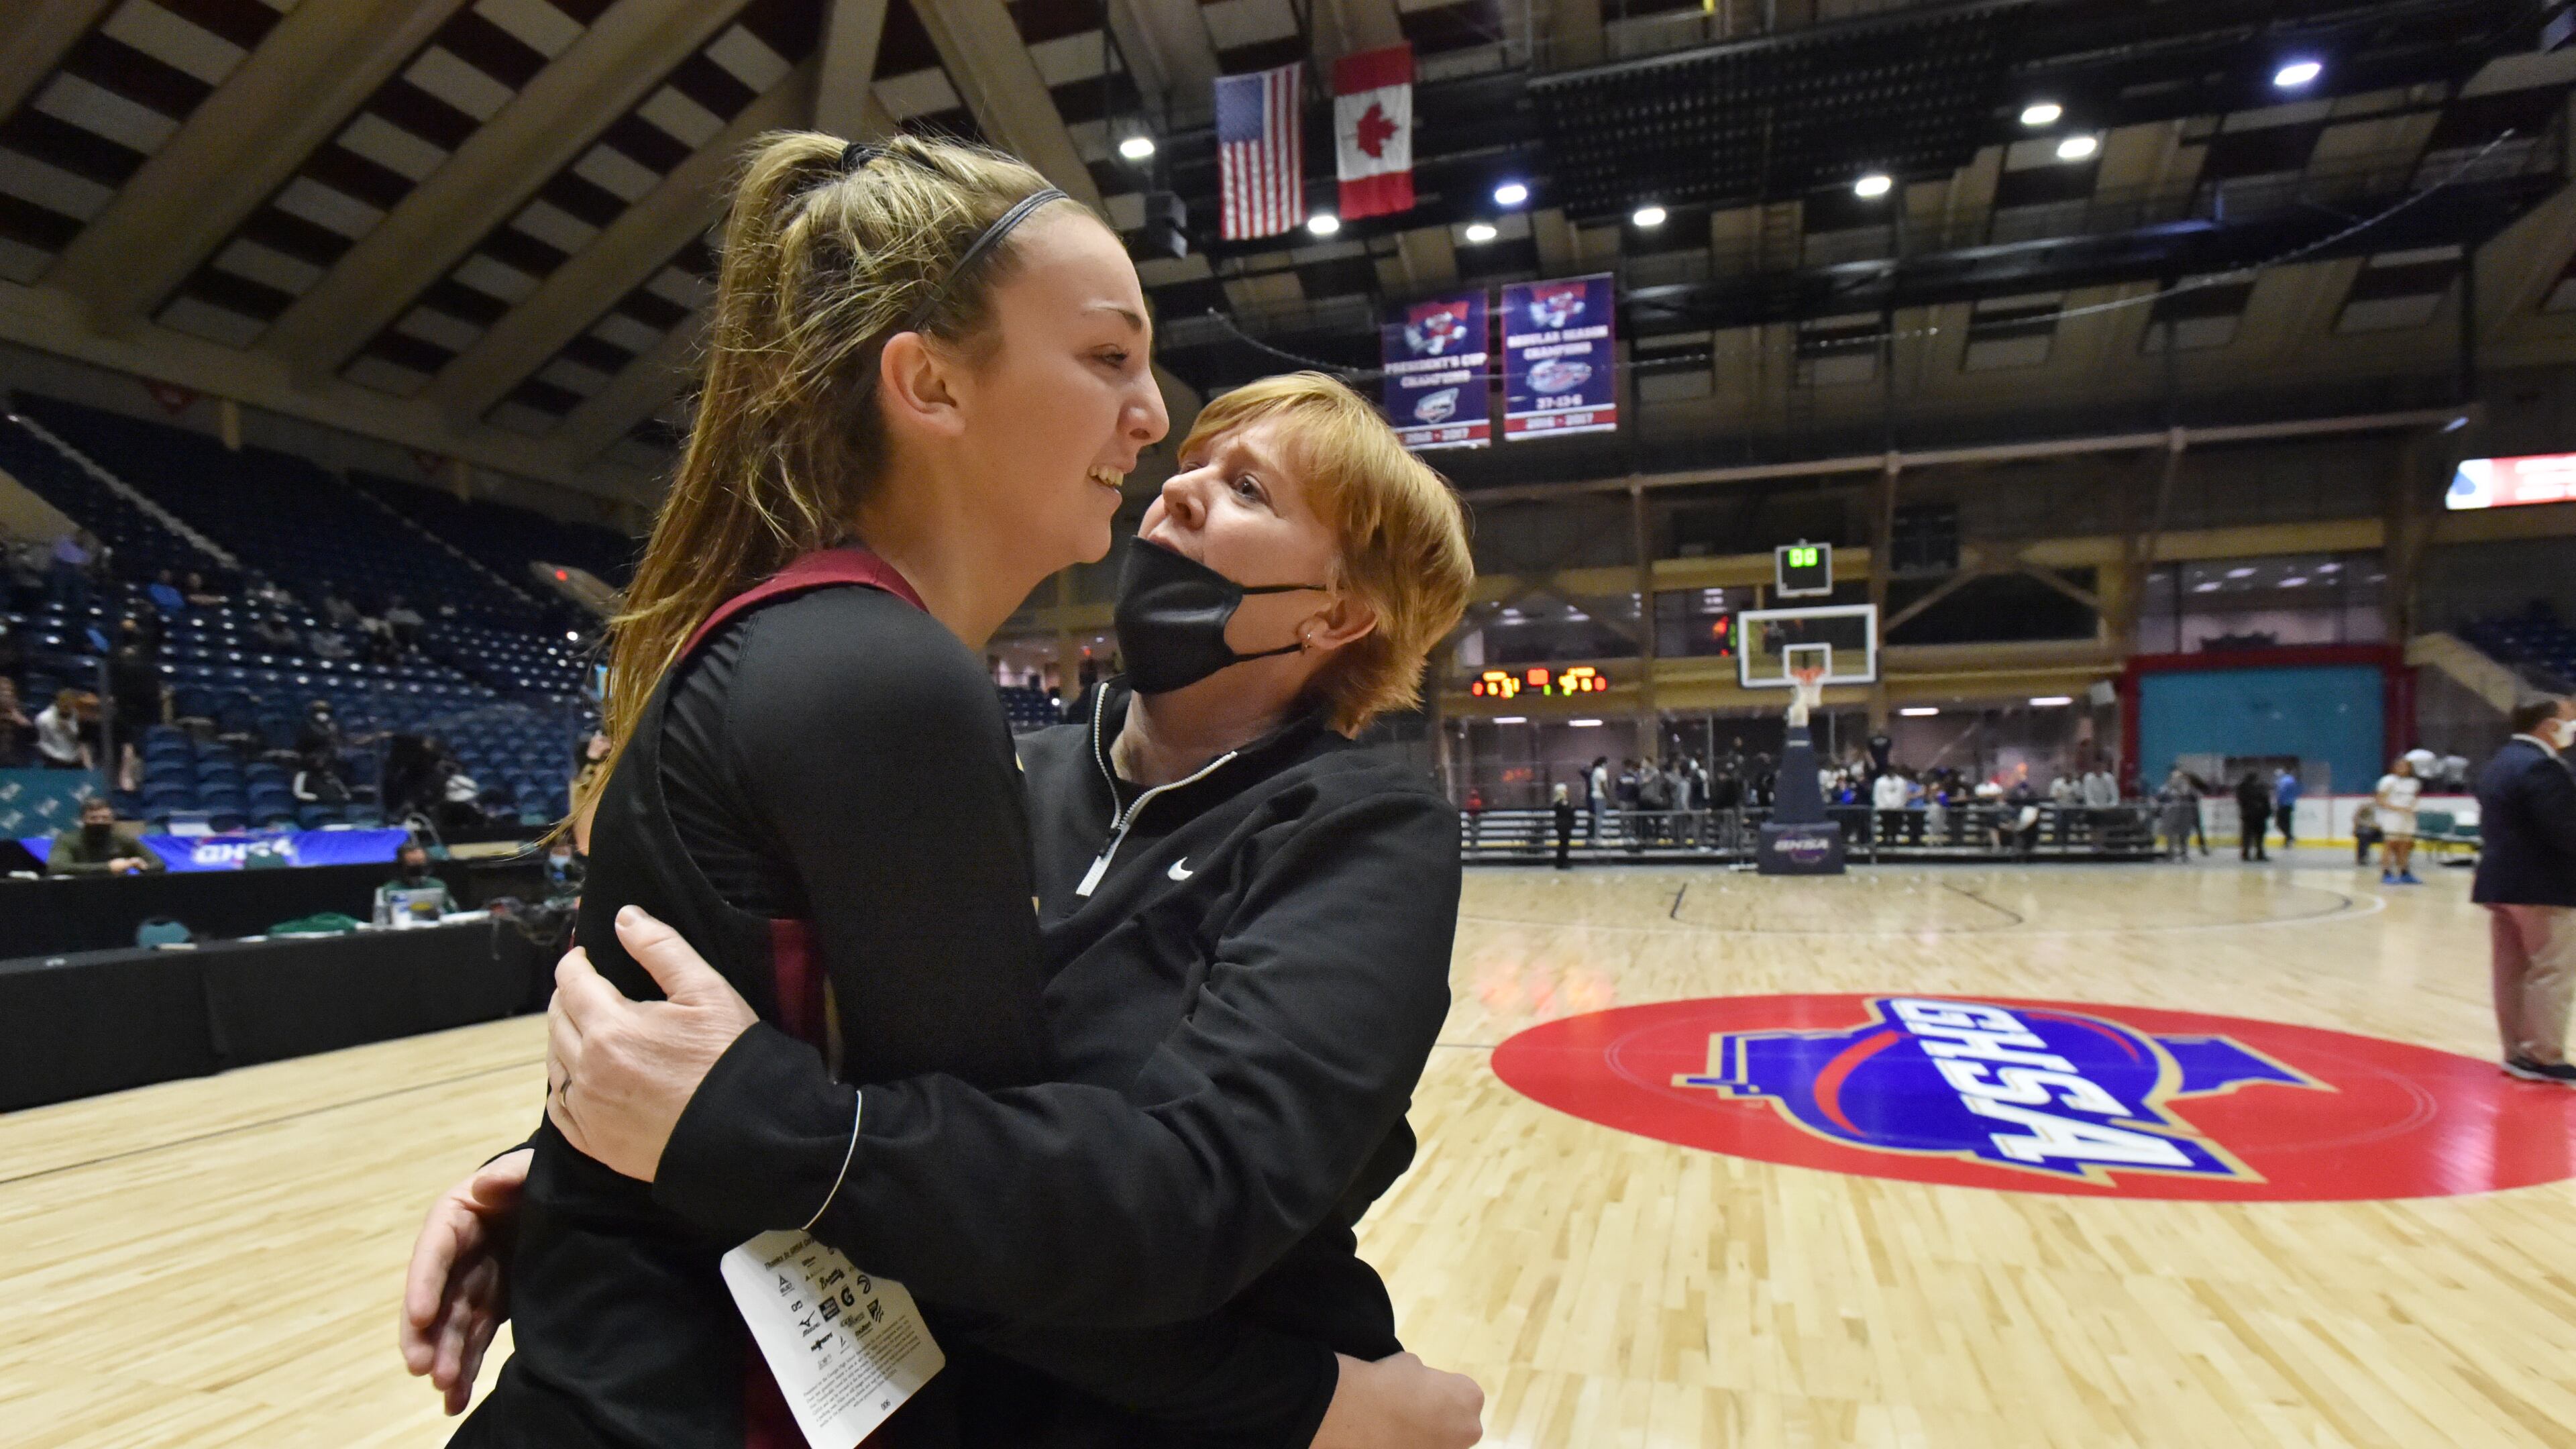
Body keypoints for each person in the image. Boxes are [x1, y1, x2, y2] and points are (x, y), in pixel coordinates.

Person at [402, 134, 1475, 1449]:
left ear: (1340, 618)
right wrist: (576, 1174)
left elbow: (1171, 1196)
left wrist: (643, 1167)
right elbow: (865, 1160)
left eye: (1243, 487)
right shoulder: (924, 708)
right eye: (1114, 364)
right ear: (928, 385)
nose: (1164, 451)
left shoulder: (1362, 829)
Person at [2473, 697, 2576, 1084]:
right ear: (2549, 726)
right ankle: (2545, 1055)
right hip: (2543, 885)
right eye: (2569, 719)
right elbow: (2565, 829)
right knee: (2551, 969)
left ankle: (2516, 1052)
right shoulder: (2543, 767)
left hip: (2500, 882)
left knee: (2510, 970)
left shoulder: (2499, 762)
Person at [47, 795, 164, 876]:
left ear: (112, 819)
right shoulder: (68, 840)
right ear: (83, 820)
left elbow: (158, 864)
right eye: (94, 818)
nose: (100, 822)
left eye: (105, 818)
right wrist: (108, 868)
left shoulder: (123, 840)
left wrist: (139, 865)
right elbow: (56, 867)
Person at [375, 841, 457, 926]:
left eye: (421, 862)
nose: (417, 867)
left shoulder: (438, 886)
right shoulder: (390, 889)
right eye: (412, 863)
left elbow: (452, 914)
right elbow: (381, 922)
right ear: (401, 865)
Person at [2375, 755, 2422, 884]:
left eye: (2405, 766)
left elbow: (2415, 798)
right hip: (2392, 817)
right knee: (2390, 844)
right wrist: (2397, 808)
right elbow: (2380, 800)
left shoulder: (2414, 783)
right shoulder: (2388, 781)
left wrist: (2413, 808)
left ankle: (2404, 872)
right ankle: (2386, 873)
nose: (2402, 768)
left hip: (2408, 817)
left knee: (2405, 845)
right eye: (2399, 765)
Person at [34, 688, 89, 770]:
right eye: (64, 703)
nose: (67, 706)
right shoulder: (44, 719)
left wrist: (69, 730)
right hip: (54, 762)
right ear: (58, 702)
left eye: (71, 704)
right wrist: (55, 756)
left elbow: (83, 740)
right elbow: (42, 742)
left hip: (75, 762)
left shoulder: (79, 717)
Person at [2235, 770, 2271, 862]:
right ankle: (2250, 853)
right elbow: (2242, 801)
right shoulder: (2244, 787)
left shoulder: (2258, 787)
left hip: (2255, 815)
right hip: (2251, 815)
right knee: (2252, 835)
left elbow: (2265, 800)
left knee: (2253, 835)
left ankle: (2254, 853)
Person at [0, 678, 32, 767]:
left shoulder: (23, 710)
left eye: (9, 690)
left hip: (18, 763)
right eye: (3, 690)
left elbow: (34, 739)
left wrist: (23, 722)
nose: (6, 693)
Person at [2273, 766, 2302, 851]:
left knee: (2279, 823)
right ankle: (2287, 840)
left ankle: (2289, 836)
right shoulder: (2292, 780)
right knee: (2287, 823)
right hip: (2290, 803)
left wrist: (2278, 801)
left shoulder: (2283, 781)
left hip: (2283, 804)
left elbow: (2281, 792)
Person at [1551, 781, 1575, 869]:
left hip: (1564, 825)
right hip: (1564, 825)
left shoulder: (1560, 802)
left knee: (1564, 844)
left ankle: (1562, 861)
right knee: (1563, 845)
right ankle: (1561, 862)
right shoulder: (1561, 802)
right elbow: (1569, 811)